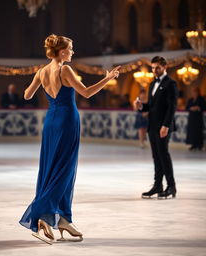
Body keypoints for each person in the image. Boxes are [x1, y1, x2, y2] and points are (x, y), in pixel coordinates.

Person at [19, 34, 120, 244]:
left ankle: (63, 218)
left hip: (51, 122)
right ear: (62, 51)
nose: (73, 52)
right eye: (71, 49)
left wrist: (42, 85)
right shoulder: (64, 69)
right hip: (66, 121)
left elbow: (27, 95)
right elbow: (87, 92)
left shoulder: (41, 71)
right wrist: (108, 78)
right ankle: (41, 214)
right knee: (64, 170)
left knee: (51, 168)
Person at [134, 56, 178, 199]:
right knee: (156, 156)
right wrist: (141, 106)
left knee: (163, 155)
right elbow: (151, 107)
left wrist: (166, 125)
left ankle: (171, 186)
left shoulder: (171, 84)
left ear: (165, 67)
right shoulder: (152, 84)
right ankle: (157, 185)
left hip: (163, 126)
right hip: (152, 126)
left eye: (157, 68)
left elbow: (172, 107)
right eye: (152, 68)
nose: (154, 70)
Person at [186, 87, 206, 151]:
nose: (194, 93)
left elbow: (204, 107)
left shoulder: (201, 99)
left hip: (198, 118)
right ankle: (193, 145)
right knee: (192, 131)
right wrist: (191, 108)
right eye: (193, 92)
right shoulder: (190, 99)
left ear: (198, 93)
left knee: (198, 131)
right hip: (192, 118)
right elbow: (187, 107)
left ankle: (199, 145)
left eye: (195, 92)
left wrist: (198, 108)